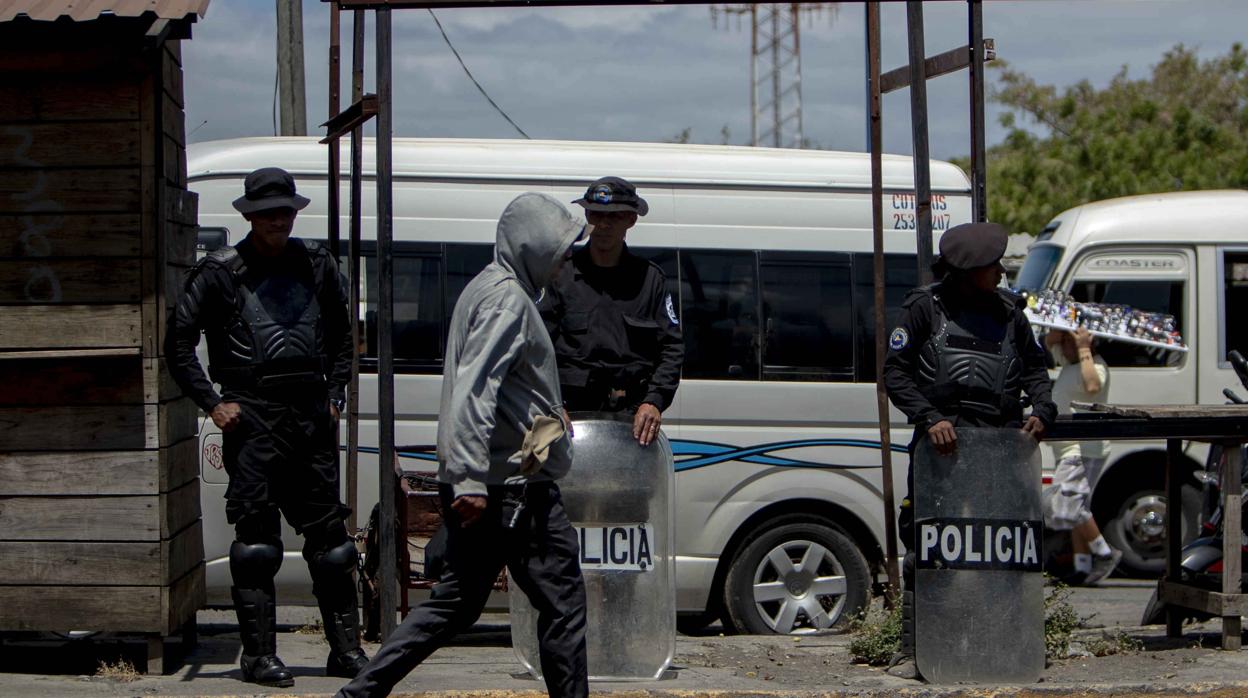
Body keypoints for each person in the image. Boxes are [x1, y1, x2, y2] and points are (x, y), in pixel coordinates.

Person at [336, 193, 589, 698]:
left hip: (503, 485)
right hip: (515, 489)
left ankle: (360, 693)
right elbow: (476, 387)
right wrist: (470, 476)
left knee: (455, 605)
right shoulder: (506, 301)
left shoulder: (493, 289)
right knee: (563, 605)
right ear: (532, 246)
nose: (566, 261)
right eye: (561, 250)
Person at [166, 168, 366, 687]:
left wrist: (335, 393)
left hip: (307, 416)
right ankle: (257, 657)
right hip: (252, 416)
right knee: (257, 543)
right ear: (249, 217)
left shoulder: (317, 265)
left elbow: (346, 336)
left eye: (286, 210)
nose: (278, 220)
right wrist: (212, 403)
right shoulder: (218, 273)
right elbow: (178, 343)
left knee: (332, 542)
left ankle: (345, 651)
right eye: (268, 212)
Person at [882, 221, 1057, 680]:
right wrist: (930, 418)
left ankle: (1005, 642)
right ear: (967, 269)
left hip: (1000, 451)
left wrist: (1042, 407)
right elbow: (895, 373)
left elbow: (1036, 369)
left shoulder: (1008, 313)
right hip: (943, 451)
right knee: (929, 549)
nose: (1000, 271)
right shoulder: (925, 308)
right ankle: (913, 651)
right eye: (991, 265)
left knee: (1005, 549)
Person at [541, 176, 683, 446]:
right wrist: (551, 404)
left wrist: (653, 402)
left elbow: (672, 348)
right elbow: (535, 347)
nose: (604, 224)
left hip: (630, 421)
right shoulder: (560, 274)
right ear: (586, 215)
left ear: (631, 220)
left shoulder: (650, 279)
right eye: (596, 215)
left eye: (614, 217)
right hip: (568, 419)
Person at [1044, 327, 1122, 585]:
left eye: (1070, 342)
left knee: (1071, 504)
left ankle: (1104, 553)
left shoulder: (1095, 365)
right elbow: (1048, 341)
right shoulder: (1068, 361)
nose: (1063, 346)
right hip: (1067, 448)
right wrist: (1063, 323)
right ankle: (1082, 565)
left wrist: (1085, 346)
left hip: (1084, 449)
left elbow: (1091, 386)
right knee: (1079, 506)